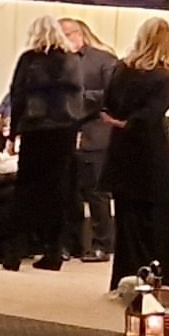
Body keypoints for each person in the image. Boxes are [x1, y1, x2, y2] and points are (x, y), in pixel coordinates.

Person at [101, 19, 169, 294]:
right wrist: (130, 123)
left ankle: (125, 279)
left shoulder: (121, 70)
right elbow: (152, 114)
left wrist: (119, 123)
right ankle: (167, 281)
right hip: (151, 155)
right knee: (160, 222)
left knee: (127, 222)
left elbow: (110, 104)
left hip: (122, 153)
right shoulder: (165, 77)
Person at [0, 15, 79, 271]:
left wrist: (12, 134)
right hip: (64, 132)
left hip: (36, 130)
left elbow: (18, 96)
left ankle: (14, 252)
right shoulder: (71, 60)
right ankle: (54, 252)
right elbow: (78, 99)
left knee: (26, 190)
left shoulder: (29, 59)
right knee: (57, 192)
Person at [59, 19, 116, 261]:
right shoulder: (57, 62)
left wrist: (78, 99)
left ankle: (101, 243)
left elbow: (112, 92)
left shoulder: (103, 60)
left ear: (78, 34)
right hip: (64, 133)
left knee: (95, 192)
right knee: (67, 191)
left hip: (95, 132)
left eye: (64, 36)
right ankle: (67, 244)